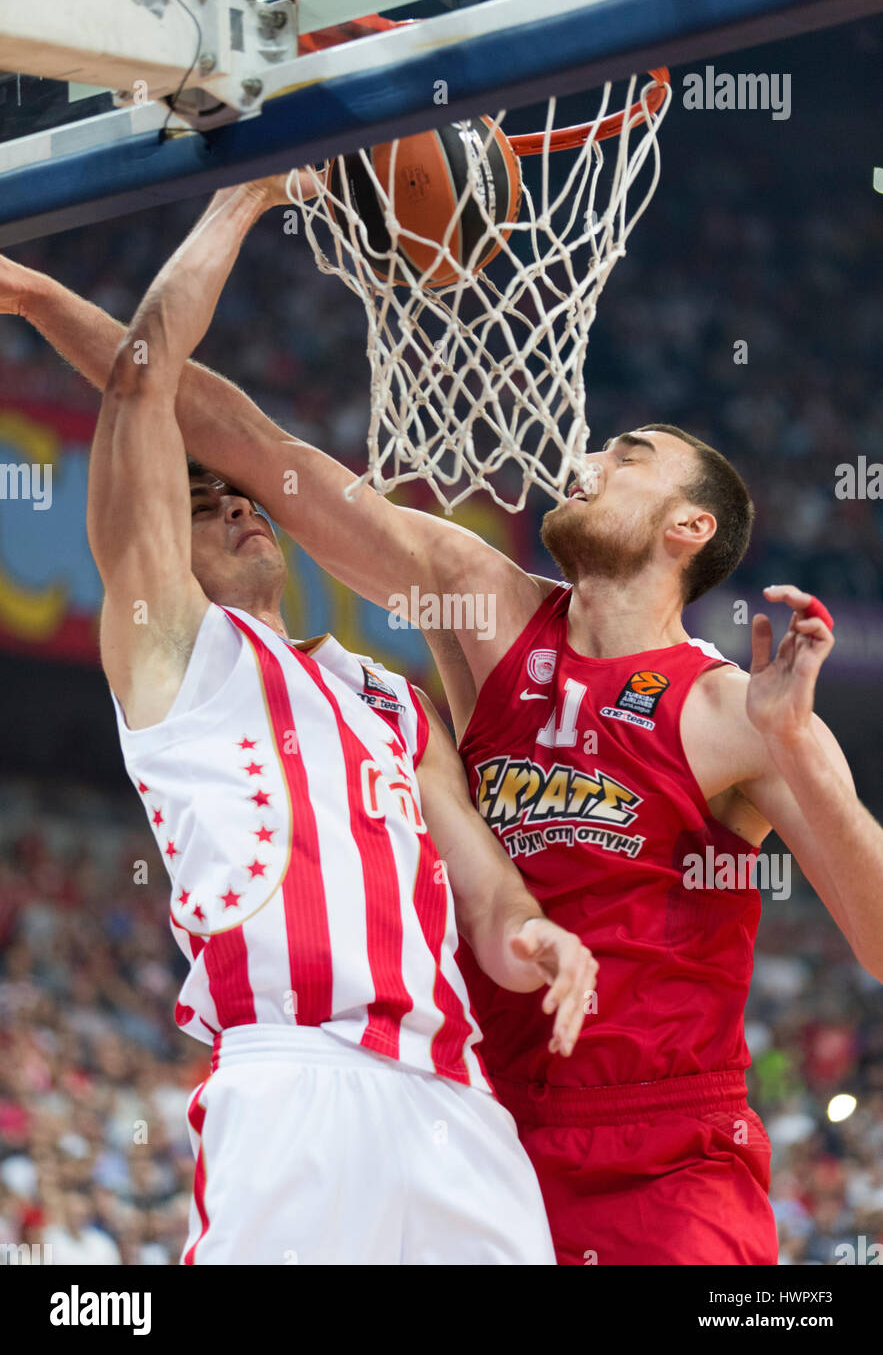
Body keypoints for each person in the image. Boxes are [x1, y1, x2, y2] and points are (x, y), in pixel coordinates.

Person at [4, 174, 882, 1265]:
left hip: (660, 1155)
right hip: (477, 1113)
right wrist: (46, 304)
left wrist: (796, 742)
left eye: (628, 458)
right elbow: (245, 438)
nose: (589, 457)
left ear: (687, 525)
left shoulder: (732, 710)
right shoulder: (486, 612)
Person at [9, 186, 598, 1265]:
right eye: (200, 503)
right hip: (296, 1075)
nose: (239, 505)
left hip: (454, 1097)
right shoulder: (170, 648)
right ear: (155, 546)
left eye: (243, 499)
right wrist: (240, 201)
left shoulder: (391, 699)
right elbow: (146, 381)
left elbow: (483, 884)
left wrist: (529, 936)